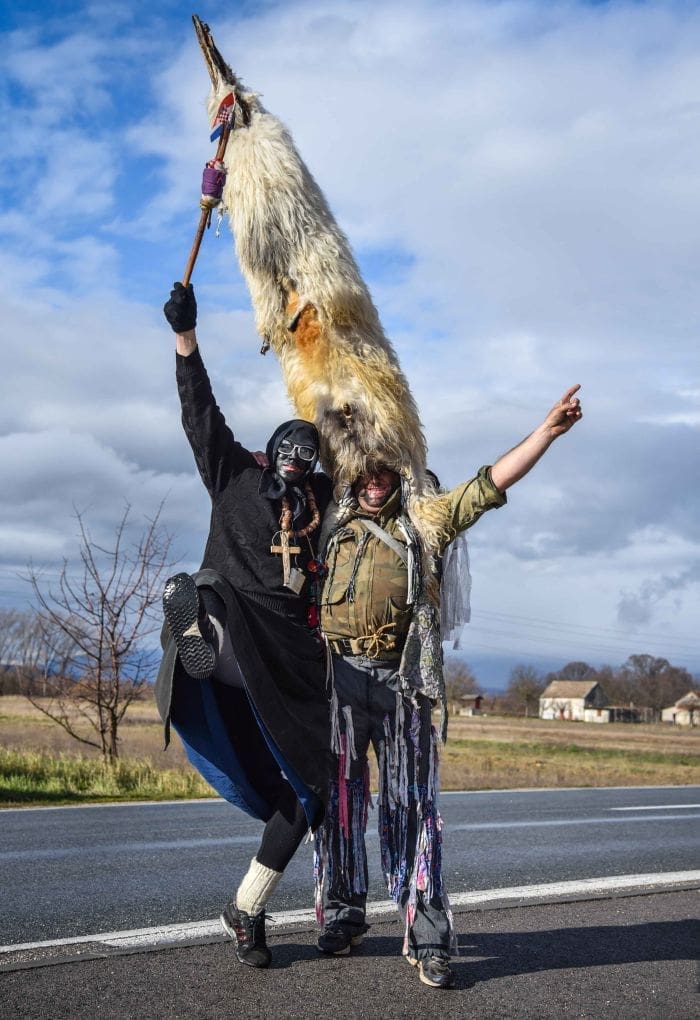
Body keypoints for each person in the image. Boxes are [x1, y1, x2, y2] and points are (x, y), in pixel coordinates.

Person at [313, 386, 583, 989]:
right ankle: (343, 914)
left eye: (385, 471)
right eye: (366, 471)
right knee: (338, 803)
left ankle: (429, 935)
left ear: (400, 472)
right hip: (338, 680)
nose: (375, 482)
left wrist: (545, 433)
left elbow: (488, 486)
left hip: (404, 682)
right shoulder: (329, 520)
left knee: (413, 808)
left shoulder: (424, 522)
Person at [155, 282, 333, 969]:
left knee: (304, 798)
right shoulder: (232, 474)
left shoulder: (322, 505)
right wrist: (186, 337)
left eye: (309, 455)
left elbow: (365, 451)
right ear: (269, 449)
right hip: (230, 635)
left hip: (284, 669)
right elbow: (199, 411)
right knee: (210, 593)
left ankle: (246, 910)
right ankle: (190, 624)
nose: (297, 458)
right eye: (289, 448)